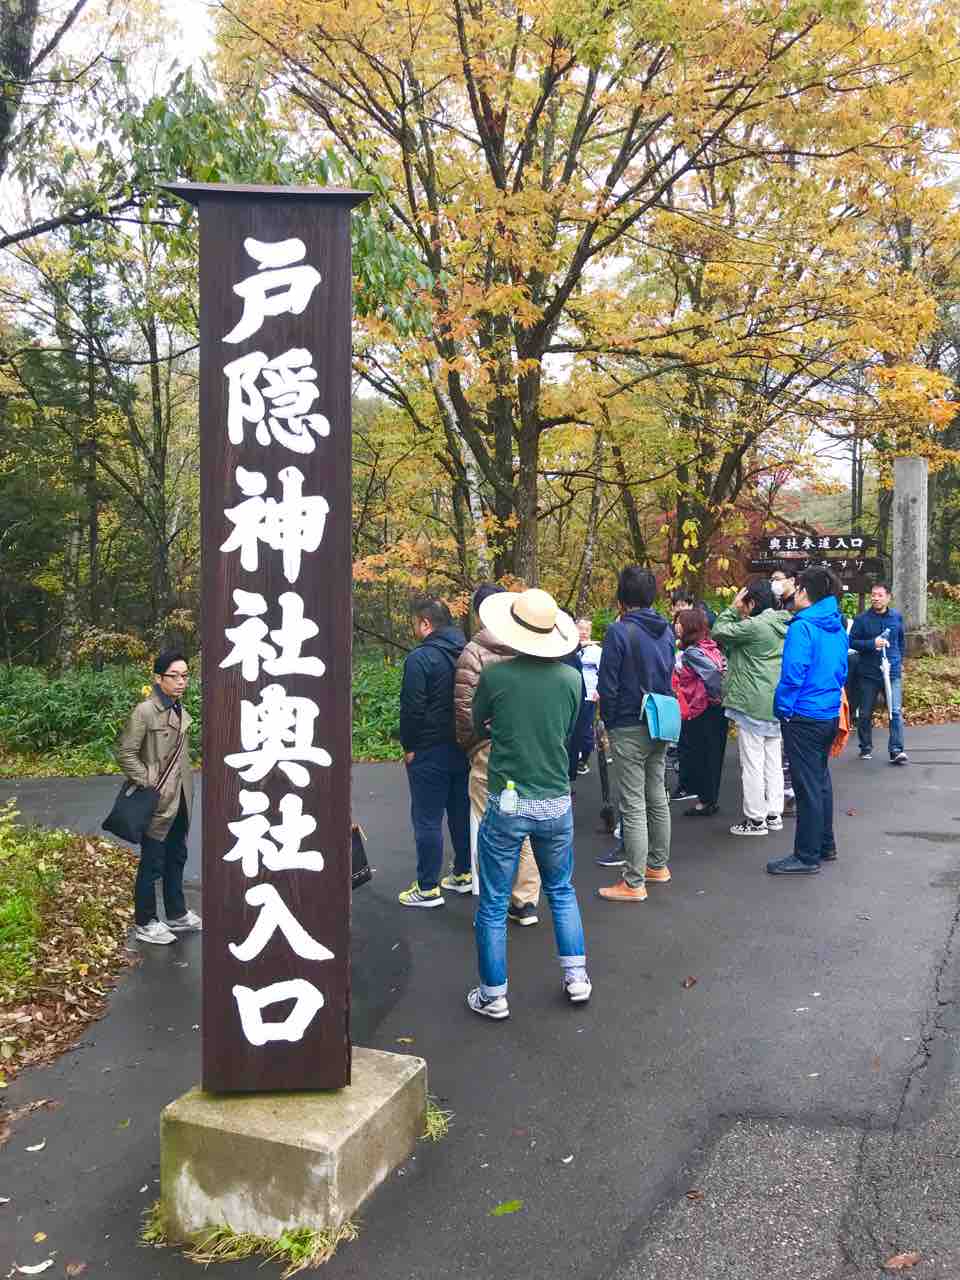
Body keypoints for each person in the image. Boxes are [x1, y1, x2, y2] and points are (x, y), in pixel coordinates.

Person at [467, 588, 590, 1018]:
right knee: (561, 890)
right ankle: (577, 977)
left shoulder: (497, 676)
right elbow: (571, 727)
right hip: (556, 798)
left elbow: (475, 719)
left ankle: (492, 994)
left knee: (495, 902)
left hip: (509, 799)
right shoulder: (571, 679)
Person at [454, 584, 542, 926]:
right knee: (524, 821)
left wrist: (471, 744)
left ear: (479, 612)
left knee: (490, 824)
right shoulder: (529, 647)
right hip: (527, 745)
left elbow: (464, 709)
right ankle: (525, 901)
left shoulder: (474, 653)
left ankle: (493, 900)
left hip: (489, 748)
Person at [596, 566, 677, 902]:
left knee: (632, 802)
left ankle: (633, 881)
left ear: (622, 596)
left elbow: (608, 684)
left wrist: (610, 722)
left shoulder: (619, 631)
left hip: (630, 722)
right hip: (660, 719)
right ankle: (657, 866)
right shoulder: (667, 630)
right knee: (656, 794)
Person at [768, 567, 848, 875]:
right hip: (827, 712)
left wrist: (783, 708)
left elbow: (793, 674)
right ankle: (825, 844)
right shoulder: (836, 624)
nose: (793, 592)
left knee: (807, 787)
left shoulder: (802, 627)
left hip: (802, 714)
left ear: (805, 593)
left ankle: (806, 855)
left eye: (797, 588)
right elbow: (842, 670)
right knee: (820, 781)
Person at [116, 650, 200, 945]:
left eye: (185, 675)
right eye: (174, 676)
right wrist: (149, 782)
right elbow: (125, 752)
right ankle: (146, 921)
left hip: (181, 798)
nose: (181, 682)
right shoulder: (145, 711)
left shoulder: (178, 708)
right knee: (152, 862)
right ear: (157, 678)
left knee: (176, 856)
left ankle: (176, 914)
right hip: (158, 800)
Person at [398, 595, 471, 907]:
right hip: (465, 747)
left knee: (427, 818)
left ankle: (427, 887)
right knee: (460, 812)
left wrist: (410, 746)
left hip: (429, 749)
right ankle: (464, 873)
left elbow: (412, 708)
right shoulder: (470, 653)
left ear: (426, 623)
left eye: (416, 623)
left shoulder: (421, 659)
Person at [712, 580, 790, 836]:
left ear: (752, 603)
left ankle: (756, 819)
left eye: (744, 603)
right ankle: (773, 813)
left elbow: (719, 631)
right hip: (775, 701)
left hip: (752, 702)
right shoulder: (783, 622)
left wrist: (732, 608)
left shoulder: (755, 626)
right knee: (772, 761)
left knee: (753, 763)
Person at [673, 609, 727, 816]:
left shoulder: (693, 652)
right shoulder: (710, 646)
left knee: (703, 754)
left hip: (703, 707)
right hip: (713, 708)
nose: (676, 626)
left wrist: (714, 695)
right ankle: (708, 798)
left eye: (680, 622)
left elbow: (713, 674)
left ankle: (707, 801)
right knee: (712, 753)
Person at [849, 583, 908, 765]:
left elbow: (900, 641)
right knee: (865, 713)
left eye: (880, 595)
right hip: (868, 673)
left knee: (895, 711)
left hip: (892, 672)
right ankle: (865, 746)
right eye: (873, 595)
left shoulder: (896, 617)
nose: (875, 598)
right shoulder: (861, 619)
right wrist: (872, 644)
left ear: (888, 597)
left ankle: (896, 750)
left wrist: (899, 661)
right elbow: (851, 642)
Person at [573, 618, 602, 775]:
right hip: (573, 693)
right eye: (580, 629)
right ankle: (573, 757)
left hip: (589, 694)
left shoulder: (597, 651)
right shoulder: (569, 650)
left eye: (586, 630)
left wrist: (599, 690)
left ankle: (584, 759)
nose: (583, 632)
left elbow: (604, 672)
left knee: (585, 728)